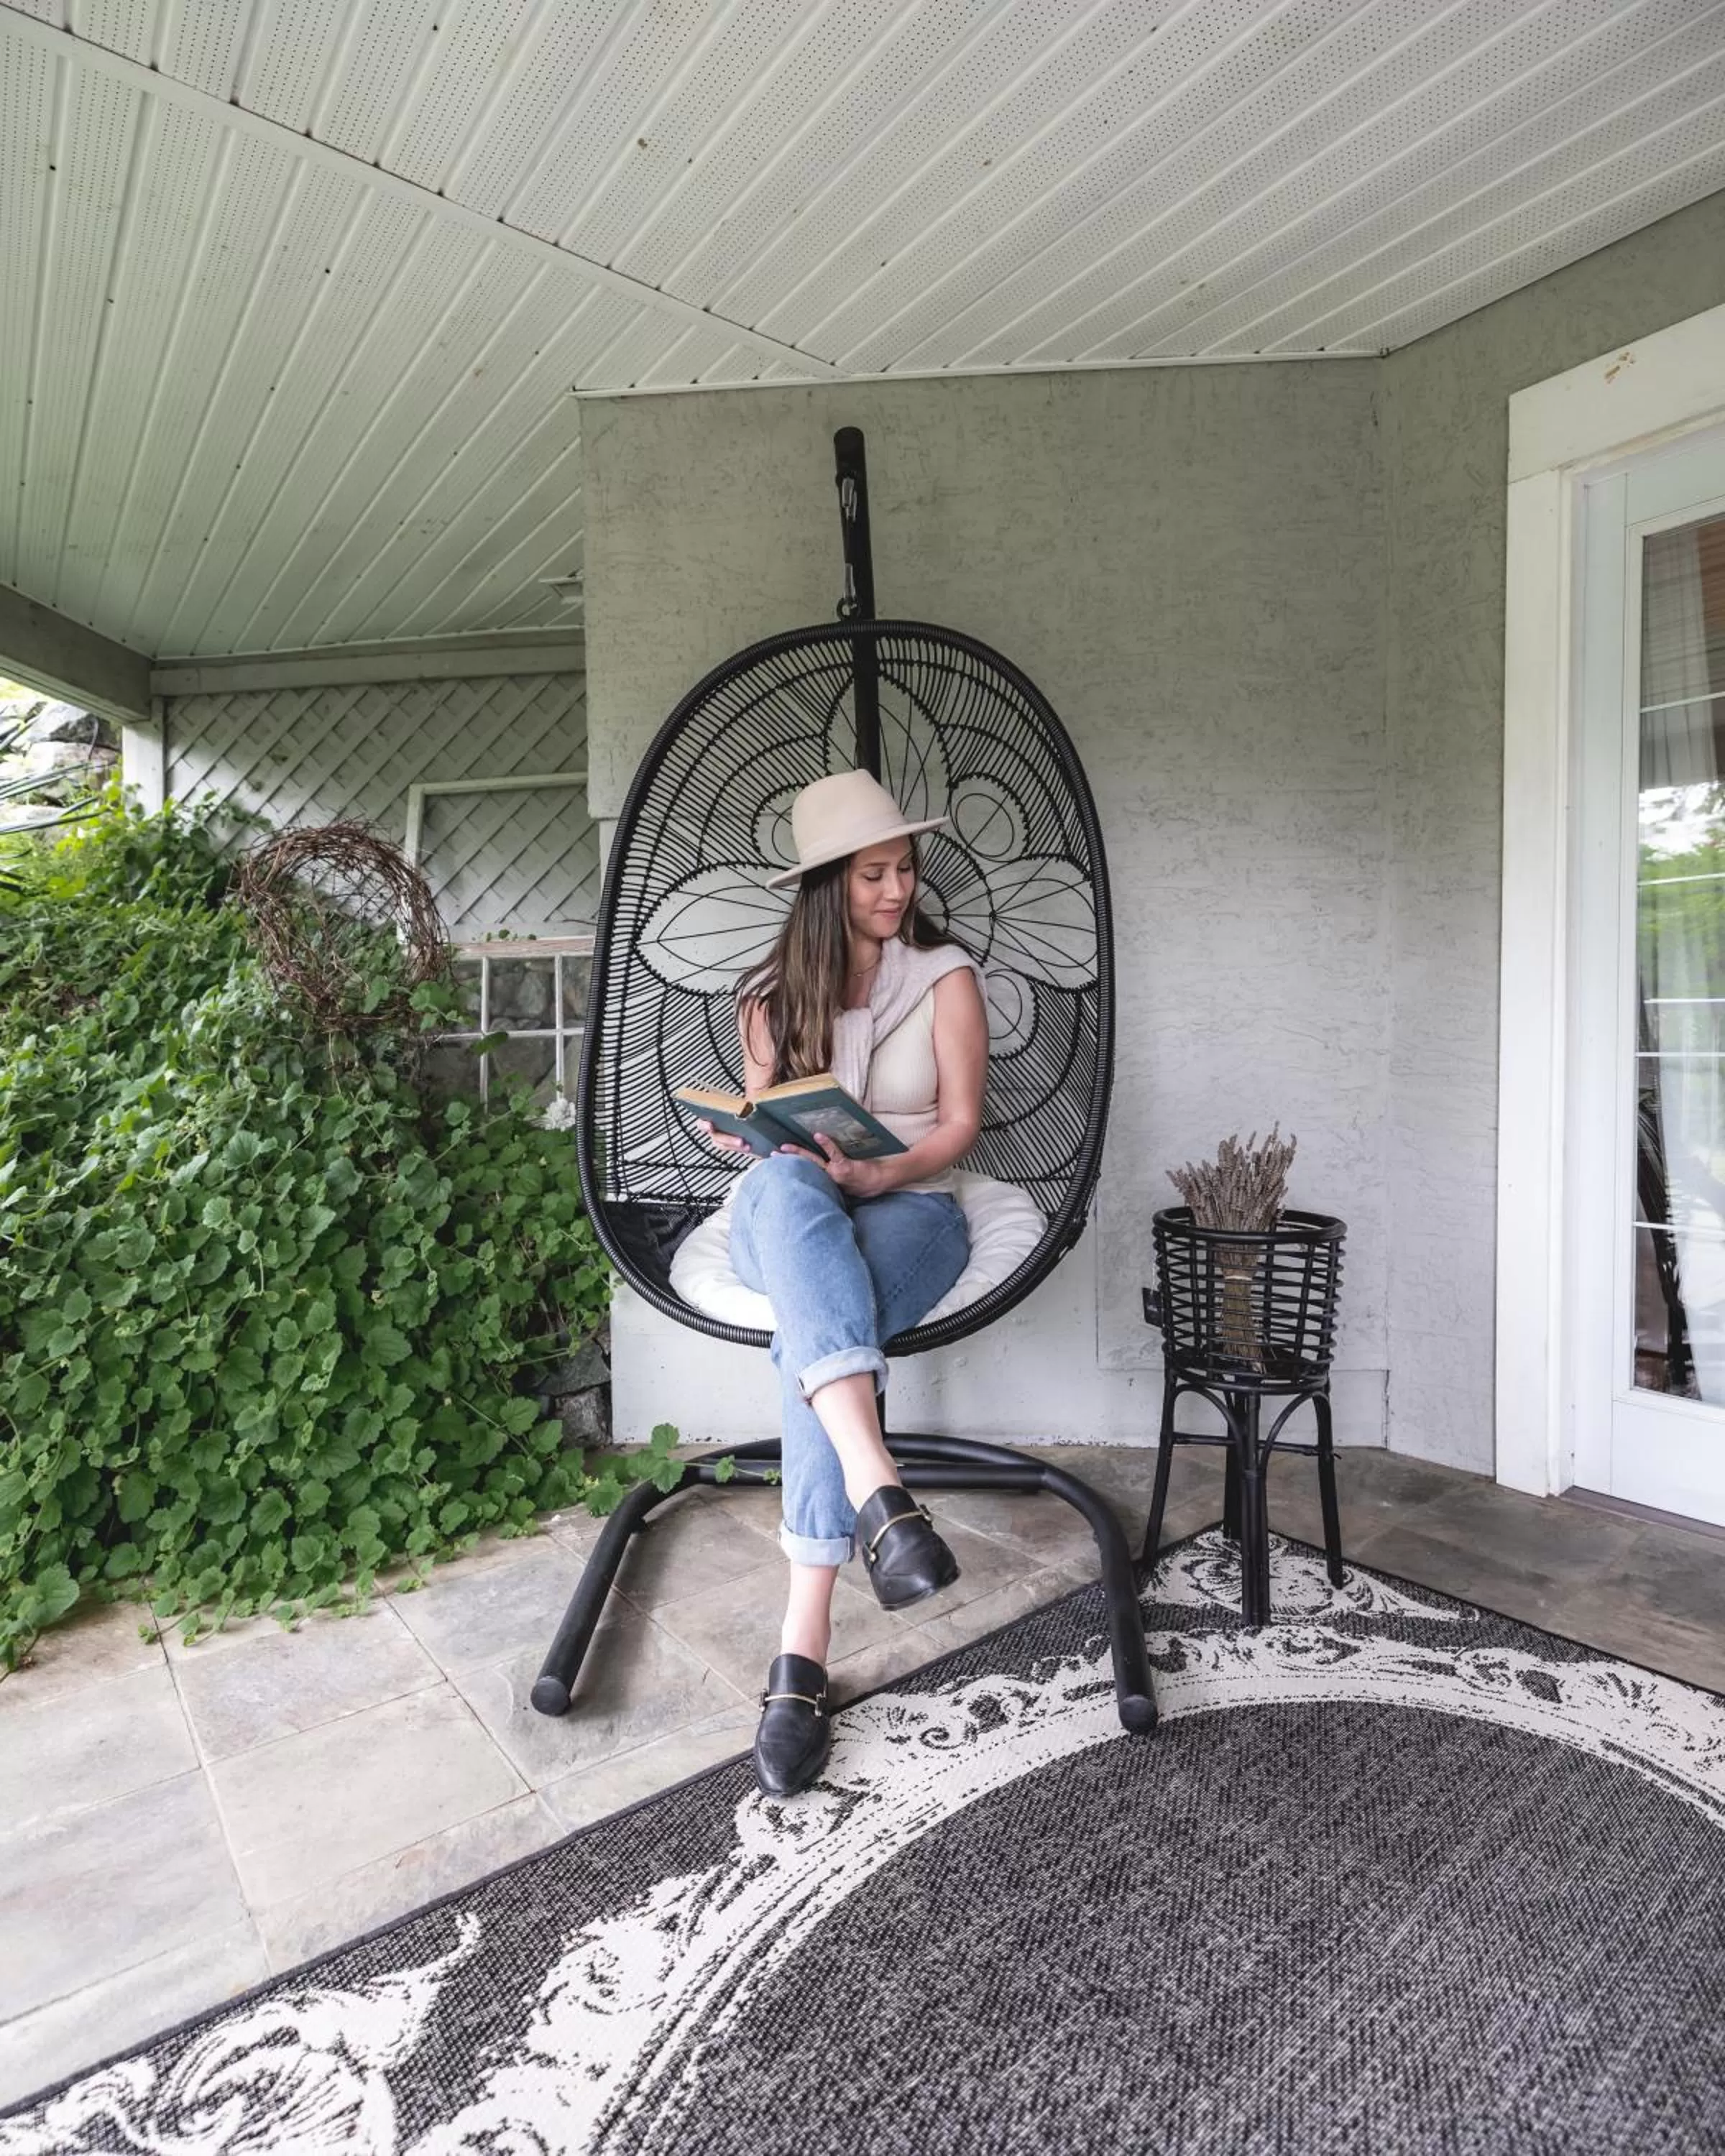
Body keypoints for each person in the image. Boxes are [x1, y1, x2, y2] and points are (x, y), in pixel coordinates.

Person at [694, 768, 988, 1797]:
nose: (897, 890)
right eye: (873, 874)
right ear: (827, 885)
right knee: (781, 1190)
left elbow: (957, 1126)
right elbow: (773, 1130)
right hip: (798, 1211)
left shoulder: (946, 975)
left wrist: (881, 1169)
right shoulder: (772, 997)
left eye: (905, 870)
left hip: (910, 1208)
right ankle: (880, 1495)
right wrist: (749, 1126)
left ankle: (800, 1653)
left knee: (816, 1345)